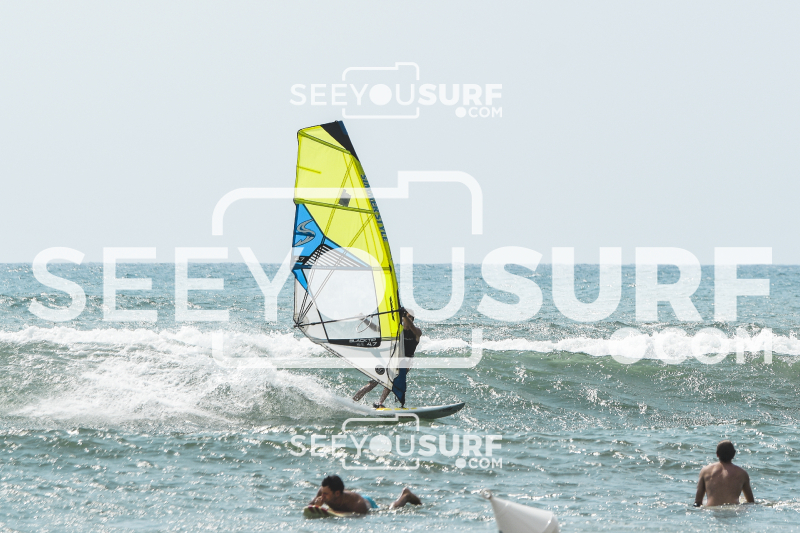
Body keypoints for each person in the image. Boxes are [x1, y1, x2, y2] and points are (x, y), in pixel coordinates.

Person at [352, 307, 422, 408]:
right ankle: (353, 401)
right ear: (402, 318)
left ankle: (380, 403)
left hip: (404, 363)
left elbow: (411, 326)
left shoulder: (417, 332)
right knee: (372, 383)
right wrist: (364, 319)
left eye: (411, 317)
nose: (409, 319)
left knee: (390, 383)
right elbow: (376, 328)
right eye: (407, 316)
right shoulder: (396, 330)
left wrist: (403, 315)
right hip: (391, 360)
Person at [308, 474, 422, 514]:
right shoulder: (323, 492)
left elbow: (359, 517)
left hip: (367, 504)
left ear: (337, 493)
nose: (322, 496)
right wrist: (316, 506)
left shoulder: (357, 504)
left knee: (391, 510)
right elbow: (309, 507)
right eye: (322, 493)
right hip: (352, 500)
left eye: (326, 494)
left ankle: (406, 496)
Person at [694, 440, 754, 507]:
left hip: (711, 509)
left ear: (717, 454)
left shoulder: (705, 471)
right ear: (734, 454)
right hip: (733, 509)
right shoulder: (742, 473)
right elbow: (751, 501)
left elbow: (698, 501)